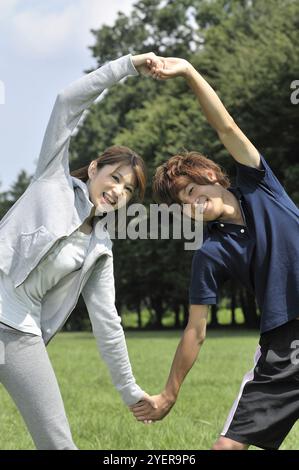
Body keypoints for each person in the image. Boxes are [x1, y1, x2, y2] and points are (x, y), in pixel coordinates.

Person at [131, 56, 299, 450]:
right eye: (182, 206)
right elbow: (196, 329)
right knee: (226, 448)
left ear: (209, 175)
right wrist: (169, 393)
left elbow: (225, 126)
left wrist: (188, 71)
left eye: (191, 191)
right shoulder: (210, 253)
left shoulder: (260, 184)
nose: (192, 204)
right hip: (287, 345)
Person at [0, 51, 160, 450]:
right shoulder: (51, 178)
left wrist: (130, 391)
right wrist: (127, 66)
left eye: (128, 189)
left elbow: (108, 325)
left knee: (59, 444)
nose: (117, 190)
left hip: (20, 333)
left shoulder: (99, 250)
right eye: (115, 178)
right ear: (93, 169)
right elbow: (67, 101)